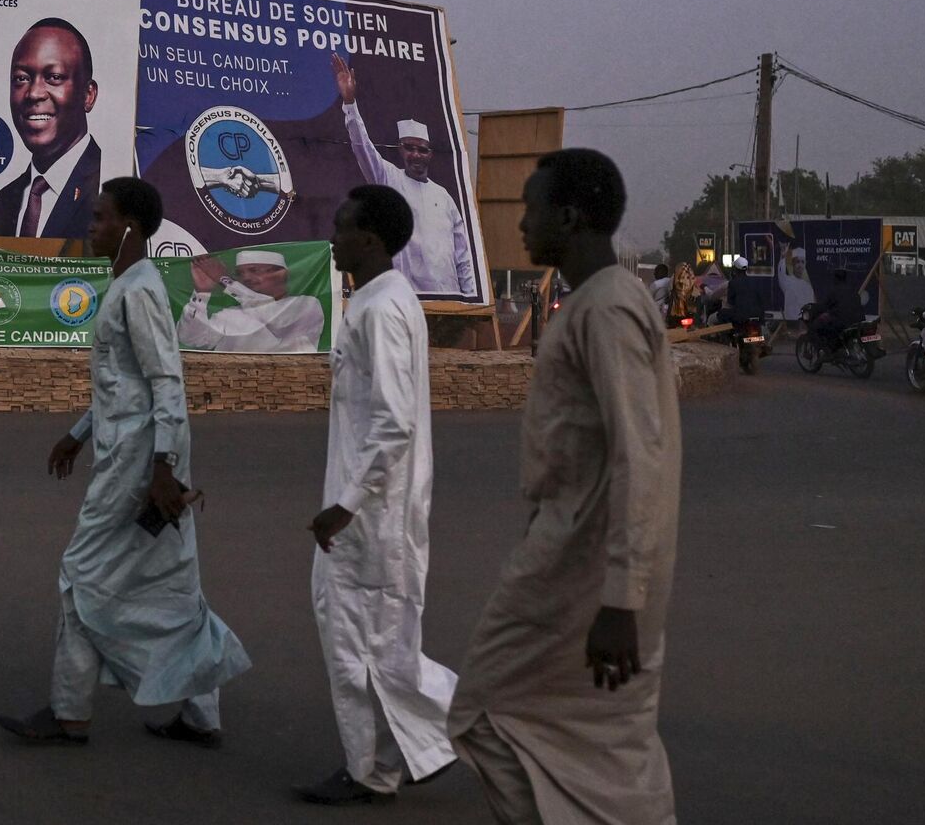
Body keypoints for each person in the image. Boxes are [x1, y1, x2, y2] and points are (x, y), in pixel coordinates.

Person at [448, 149, 682, 825]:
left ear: (570, 217)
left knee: (483, 711)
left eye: (532, 207)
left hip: (585, 569)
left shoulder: (607, 309)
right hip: (571, 551)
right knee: (604, 740)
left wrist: (621, 597)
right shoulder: (596, 302)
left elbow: (642, 456)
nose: (521, 223)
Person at [0, 177, 251, 747]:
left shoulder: (138, 290)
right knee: (175, 584)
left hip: (138, 464)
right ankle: (202, 714)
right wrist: (77, 434)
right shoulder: (127, 285)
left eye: (101, 217)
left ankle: (69, 714)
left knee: (78, 574)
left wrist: (163, 468)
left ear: (130, 227)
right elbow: (123, 384)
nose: (92, 226)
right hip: (134, 453)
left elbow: (167, 382)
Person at [295, 185, 458, 806]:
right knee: (365, 646)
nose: (332, 239)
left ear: (369, 240)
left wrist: (348, 503)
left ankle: (474, 719)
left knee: (370, 648)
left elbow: (394, 421)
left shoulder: (381, 309)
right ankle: (375, 769)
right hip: (370, 506)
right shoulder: (377, 300)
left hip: (373, 514)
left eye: (341, 229)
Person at [330, 53, 476, 295]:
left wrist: (471, 299)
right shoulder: (390, 180)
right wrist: (350, 104)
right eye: (409, 148)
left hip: (449, 301)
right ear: (400, 150)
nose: (416, 155)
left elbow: (463, 256)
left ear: (430, 154)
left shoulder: (444, 197)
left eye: (422, 149)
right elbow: (362, 147)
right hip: (405, 299)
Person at [0, 19, 103, 238]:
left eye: (54, 77)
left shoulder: (110, 188)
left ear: (88, 95)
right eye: (22, 78)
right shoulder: (1, 204)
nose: (34, 93)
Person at [177, 249, 324, 353]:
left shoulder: (307, 305)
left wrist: (226, 282)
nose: (245, 278)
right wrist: (202, 293)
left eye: (254, 270)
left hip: (291, 387)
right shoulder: (231, 314)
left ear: (281, 274)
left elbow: (277, 320)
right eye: (240, 273)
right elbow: (190, 339)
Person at [808, 267, 865, 349]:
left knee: (817, 325)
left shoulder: (834, 291)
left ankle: (826, 348)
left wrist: (814, 309)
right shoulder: (853, 290)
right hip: (858, 321)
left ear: (835, 279)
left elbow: (824, 305)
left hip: (843, 323)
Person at [716, 256, 769, 325]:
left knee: (721, 314)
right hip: (758, 316)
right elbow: (761, 299)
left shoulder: (733, 283)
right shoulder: (755, 282)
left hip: (741, 317)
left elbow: (730, 302)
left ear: (735, 269)